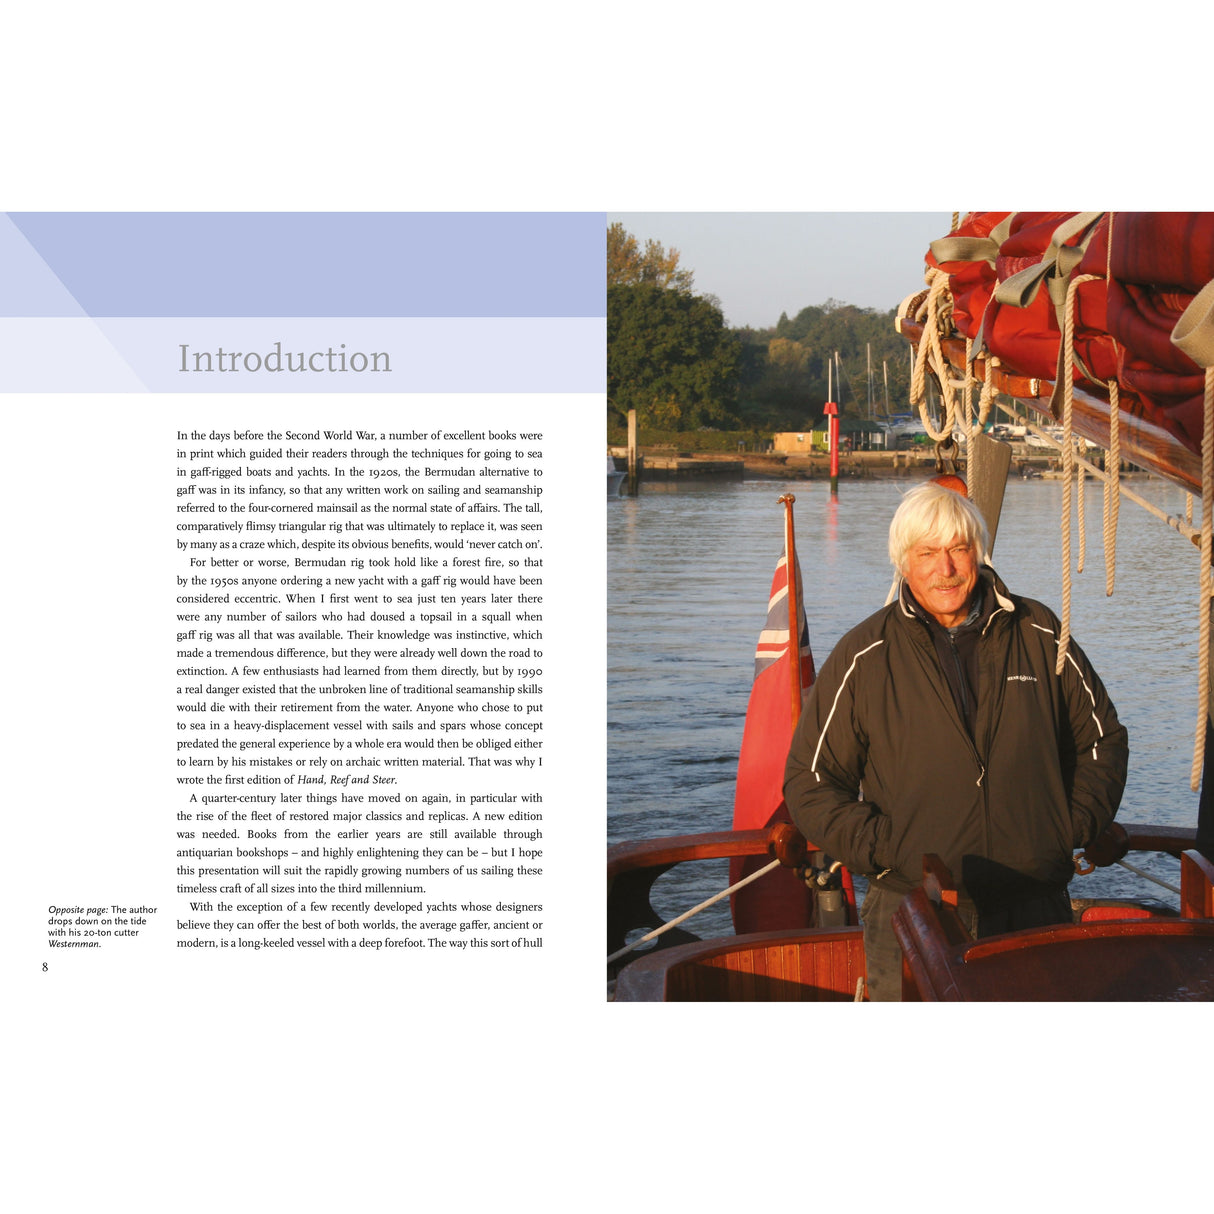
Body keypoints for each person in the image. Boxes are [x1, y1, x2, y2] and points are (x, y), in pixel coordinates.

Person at [783, 481, 1128, 1000]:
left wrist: (1066, 827)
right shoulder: (864, 655)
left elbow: (1103, 742)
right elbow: (810, 782)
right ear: (903, 561)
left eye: (958, 549)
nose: (944, 568)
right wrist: (888, 850)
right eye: (927, 552)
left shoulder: (1039, 633)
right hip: (912, 911)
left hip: (1033, 906)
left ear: (978, 552)